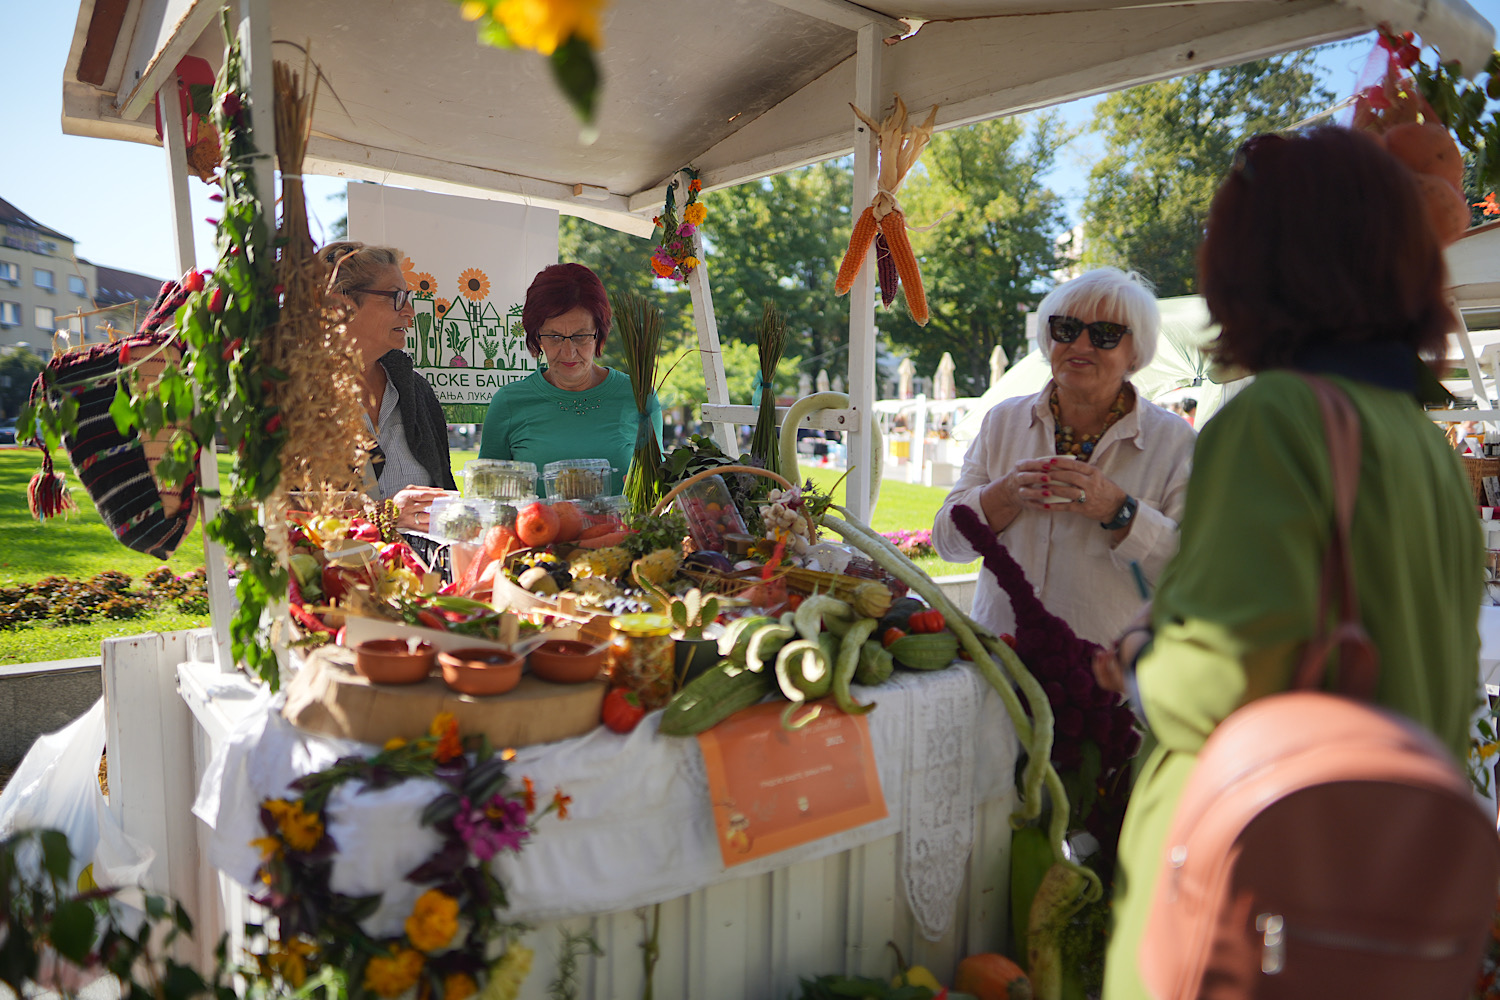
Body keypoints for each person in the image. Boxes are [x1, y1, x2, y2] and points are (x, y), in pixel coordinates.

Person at [1095, 126, 1478, 1000]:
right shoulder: (1427, 451)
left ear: (1255, 262)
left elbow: (1222, 681)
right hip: (1382, 909)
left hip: (1253, 910)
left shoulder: (1278, 418)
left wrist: (1141, 658)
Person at [930, 268, 1197, 646]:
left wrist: (1119, 510)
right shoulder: (1002, 421)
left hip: (1107, 682)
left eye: (1105, 334)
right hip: (1000, 667)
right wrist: (1004, 495)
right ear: (1048, 339)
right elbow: (948, 543)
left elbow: (1195, 575)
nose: (1082, 346)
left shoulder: (1174, 442)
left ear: (1135, 353)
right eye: (1066, 329)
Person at [478, 263, 660, 495]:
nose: (568, 352)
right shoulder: (509, 403)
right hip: (536, 531)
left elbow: (658, 491)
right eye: (554, 336)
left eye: (581, 336)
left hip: (620, 532)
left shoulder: (638, 396)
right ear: (537, 336)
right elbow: (487, 497)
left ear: (599, 334)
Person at [320, 241, 456, 530]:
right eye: (396, 297)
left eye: (407, 297)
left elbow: (446, 489)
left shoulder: (416, 392)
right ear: (344, 305)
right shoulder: (302, 399)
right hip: (332, 573)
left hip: (425, 572)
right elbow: (287, 515)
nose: (409, 311)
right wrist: (384, 515)